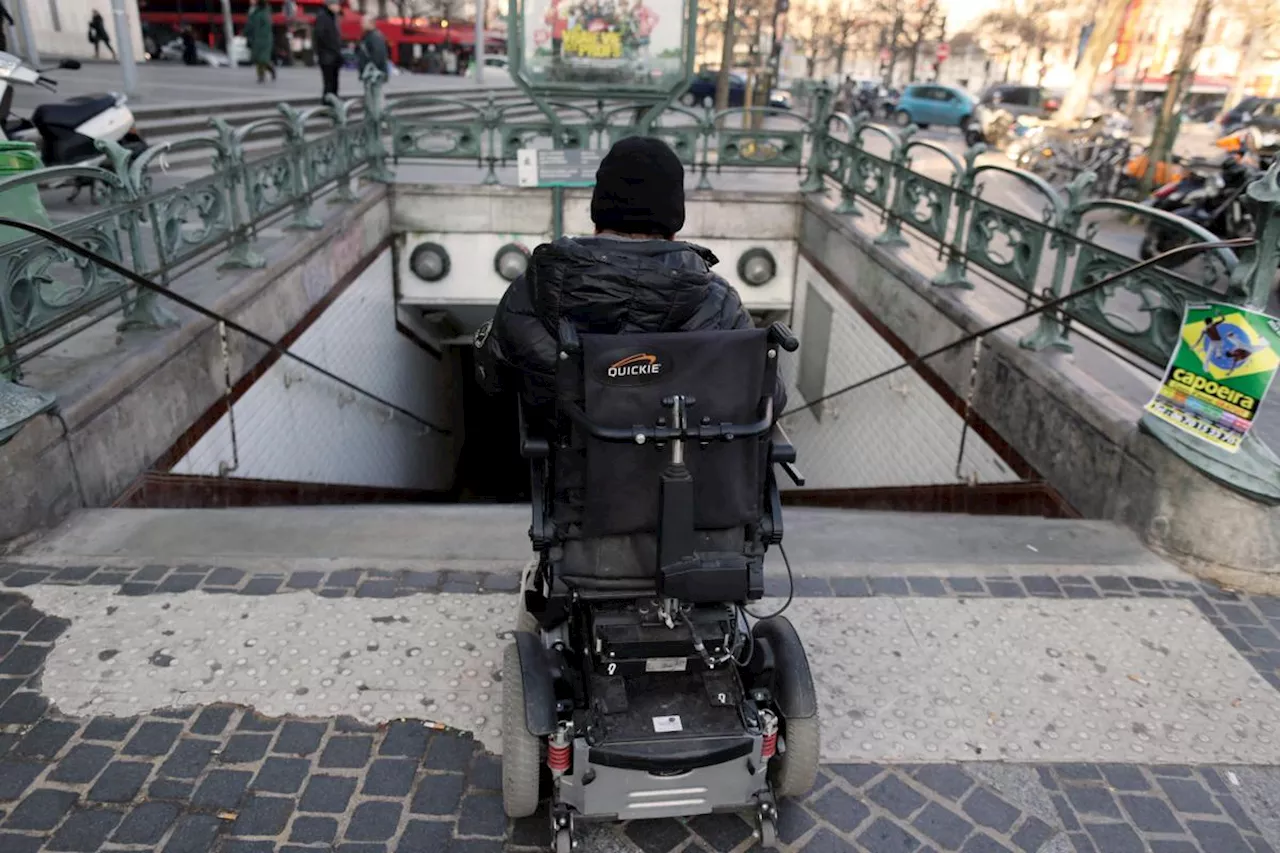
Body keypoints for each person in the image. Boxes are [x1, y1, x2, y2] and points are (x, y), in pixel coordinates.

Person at [475, 136, 787, 427]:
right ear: (672, 227)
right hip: (682, 476)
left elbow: (494, 385)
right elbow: (771, 399)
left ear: (597, 219)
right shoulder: (719, 303)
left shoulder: (530, 290)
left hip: (566, 475)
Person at [313, 0, 343, 98]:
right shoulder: (323, 17)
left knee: (334, 82)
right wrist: (332, 49)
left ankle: (333, 102)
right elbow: (321, 36)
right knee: (329, 83)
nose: (339, 7)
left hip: (333, 56)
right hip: (328, 56)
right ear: (330, 5)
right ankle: (328, 103)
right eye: (337, 4)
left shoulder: (332, 17)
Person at [246, 0, 277, 83]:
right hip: (256, 39)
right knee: (257, 59)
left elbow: (266, 27)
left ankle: (262, 75)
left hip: (264, 39)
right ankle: (265, 72)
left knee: (262, 59)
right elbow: (250, 24)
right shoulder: (255, 12)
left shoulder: (265, 13)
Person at [354, 15, 388, 79]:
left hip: (373, 74)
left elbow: (378, 54)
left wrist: (371, 69)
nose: (361, 24)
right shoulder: (367, 35)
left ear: (371, 23)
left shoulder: (375, 37)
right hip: (370, 73)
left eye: (363, 22)